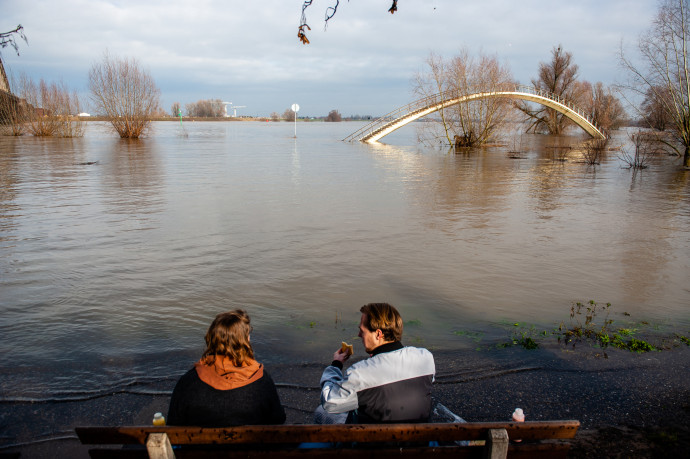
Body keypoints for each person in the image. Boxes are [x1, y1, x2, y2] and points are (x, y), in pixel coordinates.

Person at [317, 303, 435, 424]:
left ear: (378, 334)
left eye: (362, 331)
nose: (359, 335)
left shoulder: (360, 373)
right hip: (418, 439)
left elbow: (329, 402)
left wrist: (336, 364)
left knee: (321, 411)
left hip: (375, 441)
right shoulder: (425, 357)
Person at [167, 309, 286, 426]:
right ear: (245, 341)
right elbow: (278, 419)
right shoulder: (261, 381)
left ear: (211, 338)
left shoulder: (189, 382)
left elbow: (173, 423)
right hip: (249, 445)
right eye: (248, 335)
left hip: (201, 445)